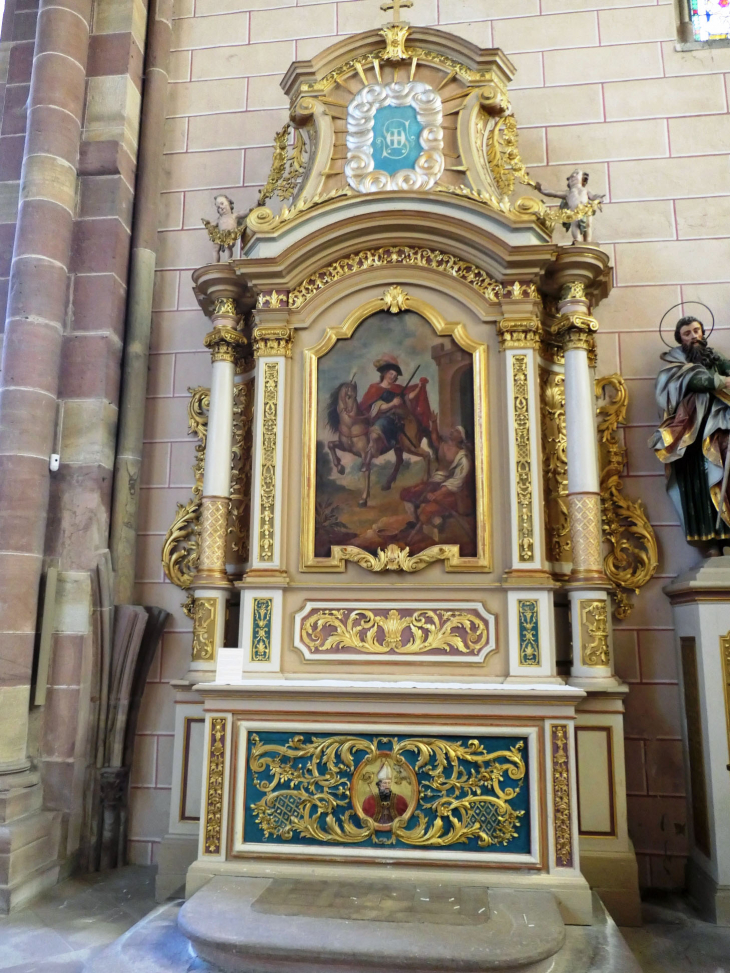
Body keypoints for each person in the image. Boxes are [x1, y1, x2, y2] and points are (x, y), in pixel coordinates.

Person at [649, 316, 730, 554]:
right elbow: (694, 380)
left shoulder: (715, 359)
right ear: (680, 339)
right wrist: (721, 381)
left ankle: (726, 536)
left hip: (720, 429)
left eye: (697, 331)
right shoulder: (675, 364)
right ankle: (710, 540)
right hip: (691, 435)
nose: (694, 336)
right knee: (700, 485)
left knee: (724, 477)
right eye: (687, 333)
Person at [400, 422, 474, 541]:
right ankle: (426, 521)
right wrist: (434, 424)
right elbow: (435, 439)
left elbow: (455, 482)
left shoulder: (463, 458)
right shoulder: (445, 445)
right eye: (453, 429)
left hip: (453, 493)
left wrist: (437, 494)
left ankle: (425, 527)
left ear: (461, 437)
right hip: (437, 483)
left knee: (428, 509)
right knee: (408, 493)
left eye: (457, 431)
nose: (452, 431)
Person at [358, 354, 431, 453]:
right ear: (385, 373)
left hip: (394, 418)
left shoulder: (396, 388)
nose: (392, 377)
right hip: (379, 417)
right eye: (391, 374)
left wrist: (419, 387)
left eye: (395, 376)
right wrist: (392, 403)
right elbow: (377, 407)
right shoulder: (374, 388)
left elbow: (409, 396)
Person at [534, 169, 605, 244]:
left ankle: (588, 241)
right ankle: (577, 239)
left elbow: (593, 196)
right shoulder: (568, 193)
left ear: (583, 179)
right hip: (574, 212)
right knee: (575, 224)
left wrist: (598, 198)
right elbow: (554, 193)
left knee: (588, 225)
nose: (573, 176)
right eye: (571, 177)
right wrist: (542, 190)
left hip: (586, 210)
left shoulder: (585, 190)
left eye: (576, 174)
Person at [361, 761, 408, 827]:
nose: (387, 786)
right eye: (384, 783)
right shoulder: (369, 801)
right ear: (379, 785)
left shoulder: (400, 800)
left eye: (389, 783)